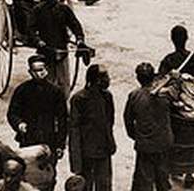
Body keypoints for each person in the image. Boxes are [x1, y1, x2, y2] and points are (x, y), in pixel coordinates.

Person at [7, 55, 68, 168]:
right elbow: (12, 113)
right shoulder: (22, 90)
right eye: (35, 70)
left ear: (46, 70)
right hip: (29, 139)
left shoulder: (56, 92)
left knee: (48, 173)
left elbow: (62, 120)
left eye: (41, 70)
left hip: (49, 140)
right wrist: (19, 124)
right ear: (30, 72)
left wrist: (60, 144)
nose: (39, 73)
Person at [25, 0, 86, 99]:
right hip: (46, 51)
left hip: (61, 49)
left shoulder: (64, 9)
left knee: (64, 82)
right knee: (48, 81)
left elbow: (75, 25)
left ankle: (64, 103)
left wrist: (79, 39)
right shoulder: (38, 10)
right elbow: (30, 29)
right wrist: (38, 41)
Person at [123, 62, 173, 191]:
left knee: (144, 181)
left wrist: (137, 136)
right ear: (153, 77)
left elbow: (128, 120)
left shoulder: (134, 96)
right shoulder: (165, 95)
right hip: (163, 143)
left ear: (138, 78)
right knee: (162, 178)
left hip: (145, 146)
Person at [69, 64, 116, 191]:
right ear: (96, 80)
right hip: (86, 153)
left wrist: (110, 142)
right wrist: (76, 160)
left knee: (104, 185)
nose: (108, 80)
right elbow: (74, 129)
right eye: (105, 77)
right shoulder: (79, 99)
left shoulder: (107, 96)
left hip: (104, 150)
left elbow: (109, 122)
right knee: (86, 185)